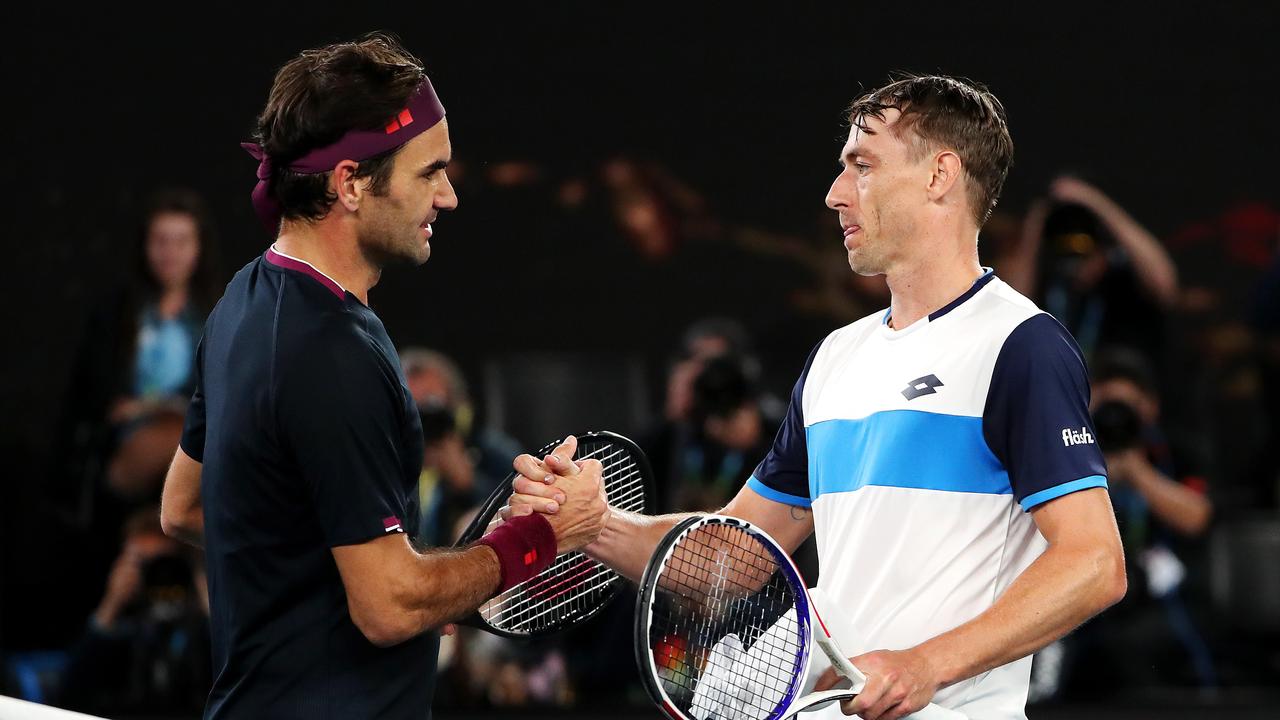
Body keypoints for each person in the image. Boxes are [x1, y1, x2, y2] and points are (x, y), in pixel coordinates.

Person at [508, 75, 1126, 720]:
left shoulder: (1020, 345)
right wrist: (596, 524)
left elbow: (1094, 562)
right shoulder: (836, 358)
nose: (835, 194)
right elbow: (733, 557)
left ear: (941, 175)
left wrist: (926, 665)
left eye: (863, 165)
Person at [158, 34, 607, 719]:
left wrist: (409, 578)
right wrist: (540, 538)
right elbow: (390, 607)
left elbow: (188, 508)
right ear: (351, 184)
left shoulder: (242, 302)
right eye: (429, 172)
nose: (449, 196)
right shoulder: (333, 354)